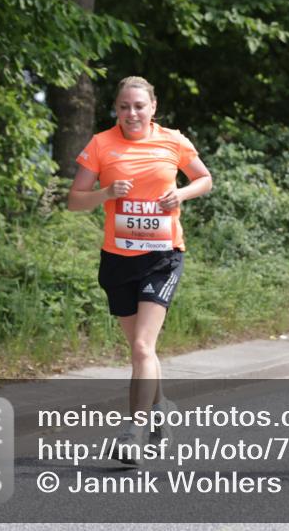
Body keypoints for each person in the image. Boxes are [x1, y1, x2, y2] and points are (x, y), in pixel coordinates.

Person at [68, 76, 212, 463]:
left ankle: (133, 431)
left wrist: (179, 193)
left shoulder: (173, 141)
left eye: (139, 106)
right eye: (124, 107)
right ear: (116, 109)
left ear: (153, 107)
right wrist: (105, 194)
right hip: (117, 258)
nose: (131, 113)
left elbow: (205, 179)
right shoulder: (101, 144)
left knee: (143, 347)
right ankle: (161, 406)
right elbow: (74, 200)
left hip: (162, 256)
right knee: (139, 352)